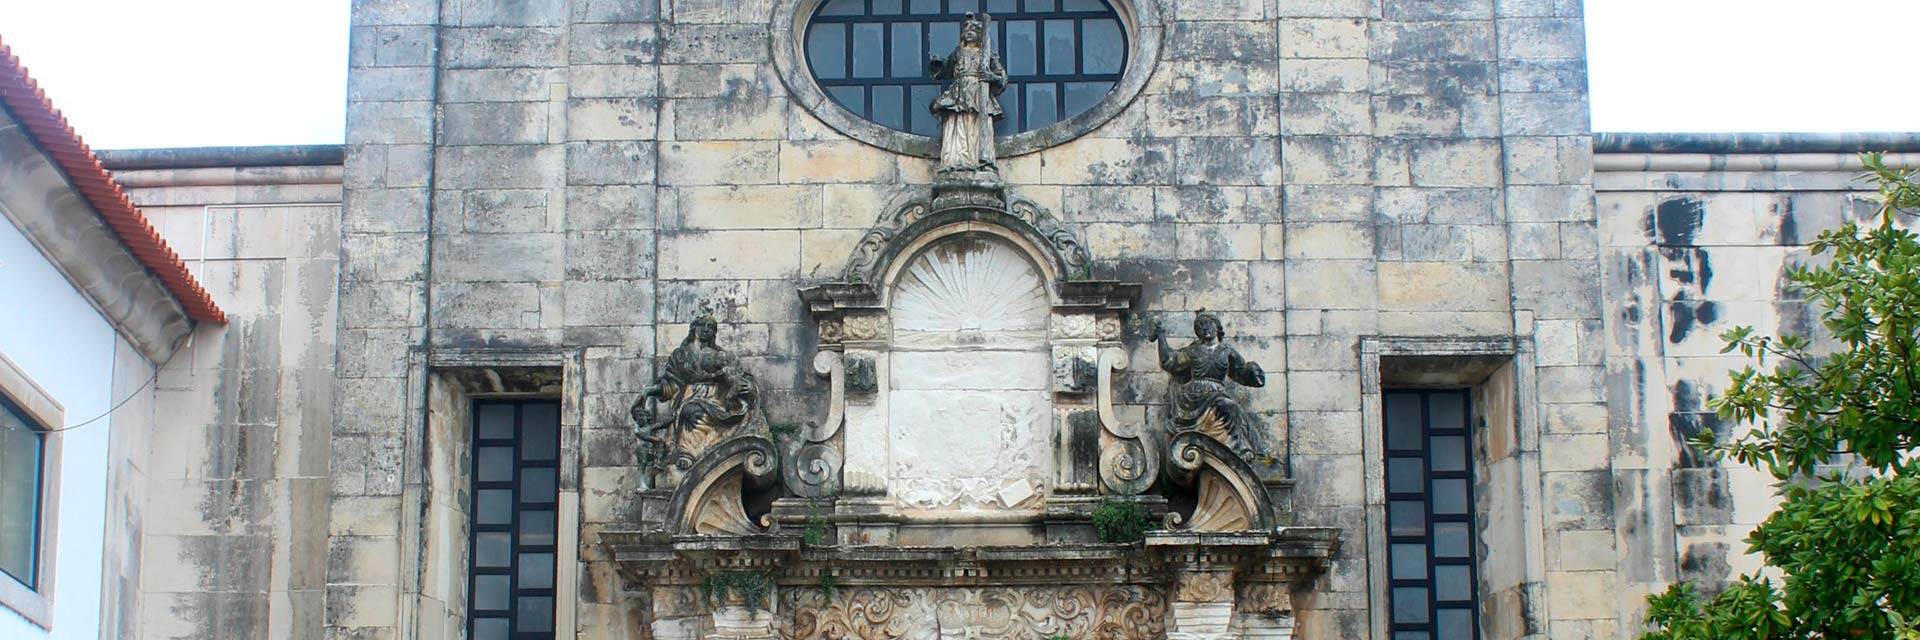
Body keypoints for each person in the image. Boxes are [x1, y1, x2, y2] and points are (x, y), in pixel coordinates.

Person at [632, 308, 760, 471]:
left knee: (691, 411)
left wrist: (745, 388)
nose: (706, 329)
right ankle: (685, 453)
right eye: (703, 325)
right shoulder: (681, 355)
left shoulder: (721, 356)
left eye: (710, 327)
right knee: (688, 411)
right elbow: (671, 385)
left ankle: (693, 453)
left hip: (714, 397)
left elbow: (736, 377)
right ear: (695, 328)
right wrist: (648, 391)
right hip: (688, 396)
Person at [1152, 309, 1269, 457]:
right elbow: (1170, 361)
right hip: (1193, 396)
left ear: (1217, 327)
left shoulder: (1226, 351)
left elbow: (1241, 373)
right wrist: (1161, 335)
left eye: (1207, 324)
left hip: (1216, 392)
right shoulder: (1194, 351)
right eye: (1200, 326)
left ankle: (1241, 449)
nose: (1204, 328)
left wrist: (1252, 372)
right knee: (1228, 406)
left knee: (1230, 407)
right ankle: (1240, 449)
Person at [929, 13, 1007, 178]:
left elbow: (1002, 77)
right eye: (966, 29)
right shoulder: (958, 52)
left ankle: (979, 159)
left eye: (973, 29)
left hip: (979, 92)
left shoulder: (987, 54)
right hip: (960, 90)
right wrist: (937, 66)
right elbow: (946, 70)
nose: (968, 32)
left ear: (980, 34)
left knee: (976, 123)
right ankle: (956, 161)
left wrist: (991, 77)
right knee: (957, 122)